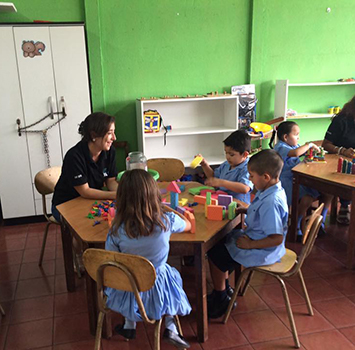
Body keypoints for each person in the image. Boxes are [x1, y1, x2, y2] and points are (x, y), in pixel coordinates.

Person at [105, 169, 192, 349]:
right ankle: (171, 327)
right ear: (154, 196)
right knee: (173, 276)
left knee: (127, 274)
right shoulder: (166, 221)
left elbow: (113, 260)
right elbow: (188, 224)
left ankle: (129, 325)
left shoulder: (116, 231)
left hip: (129, 287)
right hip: (159, 285)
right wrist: (166, 208)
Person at [207, 149, 288, 319]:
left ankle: (221, 297)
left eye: (251, 176)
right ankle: (225, 288)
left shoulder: (271, 202)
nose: (250, 179)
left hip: (263, 249)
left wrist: (250, 244)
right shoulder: (271, 191)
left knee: (215, 253)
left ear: (265, 177)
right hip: (258, 240)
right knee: (220, 244)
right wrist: (246, 209)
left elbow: (276, 238)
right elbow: (262, 215)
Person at [51, 112, 118, 222]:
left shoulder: (110, 152)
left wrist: (123, 193)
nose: (114, 138)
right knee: (88, 225)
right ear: (94, 135)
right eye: (109, 133)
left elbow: (110, 180)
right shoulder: (74, 156)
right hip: (65, 204)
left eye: (114, 132)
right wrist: (114, 195)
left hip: (90, 201)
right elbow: (85, 191)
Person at [271, 121, 331, 238]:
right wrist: (309, 145)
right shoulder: (280, 147)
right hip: (287, 181)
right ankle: (296, 223)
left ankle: (320, 221)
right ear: (285, 137)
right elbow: (296, 153)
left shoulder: (294, 145)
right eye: (296, 134)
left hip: (300, 178)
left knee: (327, 191)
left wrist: (312, 151)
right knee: (306, 200)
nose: (299, 137)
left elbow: (302, 153)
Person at [322, 95, 355, 225]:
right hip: (338, 159)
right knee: (341, 180)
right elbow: (326, 144)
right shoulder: (341, 121)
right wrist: (342, 151)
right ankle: (345, 205)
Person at [197, 129, 253, 205]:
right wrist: (204, 164)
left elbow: (245, 188)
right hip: (222, 201)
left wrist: (221, 182)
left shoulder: (247, 168)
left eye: (231, 154)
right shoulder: (227, 164)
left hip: (238, 206)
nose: (227, 157)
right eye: (226, 153)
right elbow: (213, 177)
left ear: (244, 155)